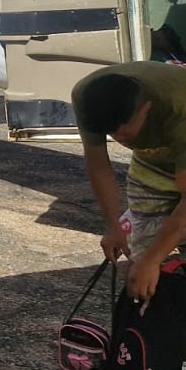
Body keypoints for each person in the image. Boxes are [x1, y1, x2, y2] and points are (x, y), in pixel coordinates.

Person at [71, 62, 186, 300]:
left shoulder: (179, 106)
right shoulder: (86, 97)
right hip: (152, 160)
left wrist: (153, 261)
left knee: (159, 252)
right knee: (141, 244)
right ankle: (154, 321)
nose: (117, 139)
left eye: (123, 134)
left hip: (179, 139)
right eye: (111, 134)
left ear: (146, 108)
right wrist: (114, 225)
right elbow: (98, 164)